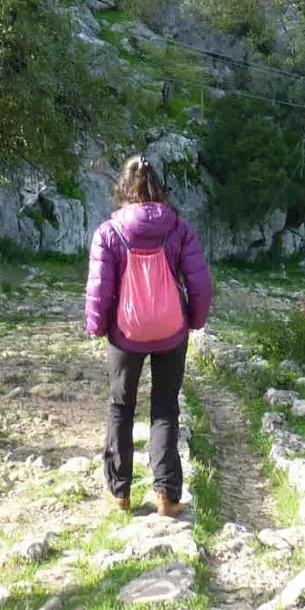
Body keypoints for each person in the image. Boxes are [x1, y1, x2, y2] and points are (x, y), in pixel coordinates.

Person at [84, 155, 214, 515]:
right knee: (165, 407)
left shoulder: (109, 232)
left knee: (120, 407)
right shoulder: (179, 228)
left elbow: (100, 287)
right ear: (158, 186)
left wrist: (97, 325)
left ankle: (120, 493)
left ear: (122, 189)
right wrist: (195, 319)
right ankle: (167, 496)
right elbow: (200, 282)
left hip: (126, 332)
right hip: (171, 330)